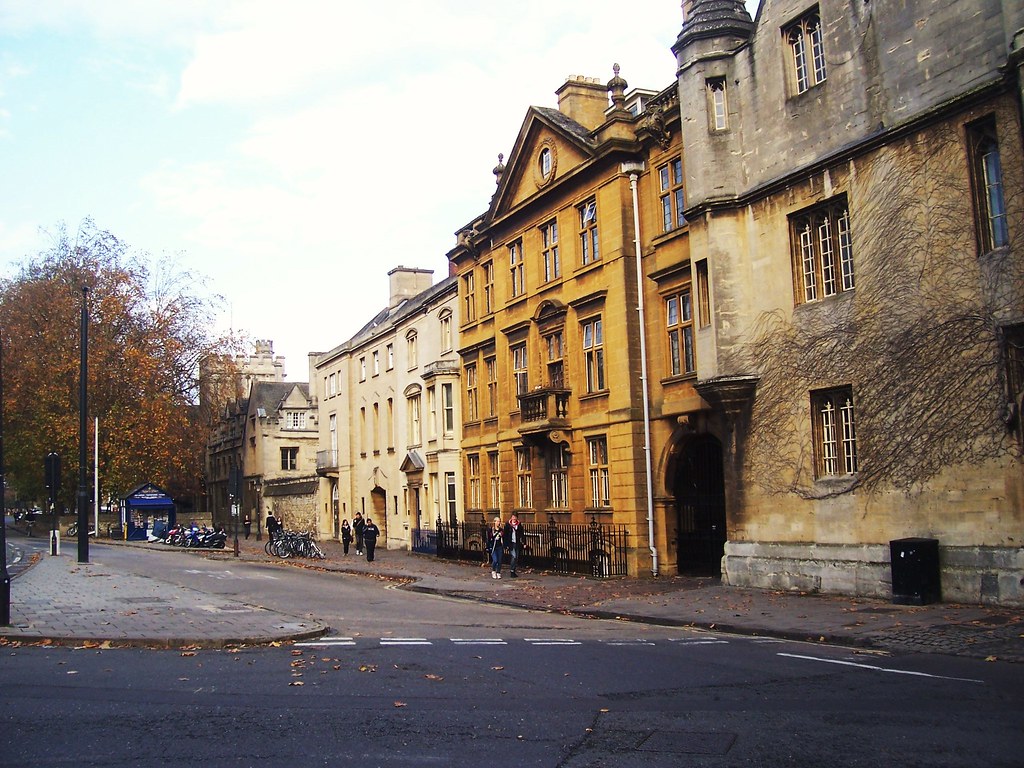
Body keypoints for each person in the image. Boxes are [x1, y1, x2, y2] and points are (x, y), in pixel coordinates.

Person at [503, 512, 524, 577]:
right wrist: (505, 544)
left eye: (515, 517)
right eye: (513, 517)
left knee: (516, 557)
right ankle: (512, 571)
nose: (514, 518)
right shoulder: (507, 524)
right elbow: (505, 535)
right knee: (514, 556)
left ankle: (514, 570)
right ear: (511, 517)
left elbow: (522, 534)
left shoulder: (519, 525)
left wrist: (523, 542)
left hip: (517, 543)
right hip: (511, 543)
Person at [487, 515, 504, 579]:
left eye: (499, 521)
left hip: (499, 546)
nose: (498, 523)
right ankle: (493, 571)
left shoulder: (501, 530)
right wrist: (488, 547)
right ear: (494, 522)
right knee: (495, 560)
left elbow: (503, 537)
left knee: (499, 561)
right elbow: (489, 538)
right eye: (497, 521)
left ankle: (498, 572)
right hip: (493, 547)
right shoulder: (491, 530)